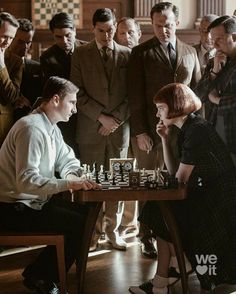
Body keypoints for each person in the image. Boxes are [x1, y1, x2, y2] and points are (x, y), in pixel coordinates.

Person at [129, 83, 236, 294]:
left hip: (218, 202)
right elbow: (175, 173)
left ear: (175, 106)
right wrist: (165, 141)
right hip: (205, 193)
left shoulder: (197, 130)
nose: (157, 112)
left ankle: (171, 272)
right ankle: (170, 272)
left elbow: (180, 180)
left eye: (160, 107)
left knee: (159, 209)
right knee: (158, 208)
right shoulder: (188, 128)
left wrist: (169, 180)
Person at [0, 76, 101, 294]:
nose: (75, 109)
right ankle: (43, 276)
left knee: (85, 215)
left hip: (30, 203)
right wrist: (69, 184)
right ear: (56, 99)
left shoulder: (49, 126)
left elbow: (67, 160)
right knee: (79, 224)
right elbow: (26, 181)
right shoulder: (32, 128)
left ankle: (41, 274)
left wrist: (73, 174)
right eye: (72, 102)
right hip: (12, 208)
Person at [128, 1, 201, 259]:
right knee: (148, 183)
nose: (163, 30)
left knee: (178, 184)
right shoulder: (140, 53)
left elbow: (197, 92)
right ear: (152, 24)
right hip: (150, 131)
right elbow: (134, 97)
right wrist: (140, 132)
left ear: (176, 23)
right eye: (158, 26)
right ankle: (145, 235)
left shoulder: (191, 52)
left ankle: (176, 235)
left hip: (184, 133)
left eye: (167, 25)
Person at [70, 8, 130, 251]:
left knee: (118, 182)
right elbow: (75, 92)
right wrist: (101, 117)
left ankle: (113, 232)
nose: (106, 35)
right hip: (90, 129)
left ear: (115, 27)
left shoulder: (128, 54)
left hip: (119, 130)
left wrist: (114, 120)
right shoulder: (80, 54)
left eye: (110, 30)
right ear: (92, 29)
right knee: (91, 183)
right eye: (101, 31)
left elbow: (133, 93)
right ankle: (92, 235)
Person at [116, 16, 157, 258]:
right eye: (122, 33)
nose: (127, 37)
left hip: (145, 129)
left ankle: (137, 228)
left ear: (139, 33)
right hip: (119, 128)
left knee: (144, 178)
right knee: (122, 175)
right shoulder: (117, 56)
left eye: (131, 32)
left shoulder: (145, 55)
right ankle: (118, 227)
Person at [40, 12, 86, 157]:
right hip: (65, 113)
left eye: (68, 35)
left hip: (88, 110)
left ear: (75, 31)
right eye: (58, 37)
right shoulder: (48, 57)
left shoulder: (87, 50)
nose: (64, 41)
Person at [195, 15, 236, 166]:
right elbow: (198, 95)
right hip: (215, 134)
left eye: (219, 39)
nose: (214, 44)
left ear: (234, 36)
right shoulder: (214, 61)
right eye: (213, 39)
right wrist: (214, 72)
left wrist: (216, 99)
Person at [0, 12, 30, 146]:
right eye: (4, 36)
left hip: (2, 128)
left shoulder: (16, 62)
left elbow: (13, 96)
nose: (7, 42)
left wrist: (1, 64)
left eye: (11, 38)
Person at [8, 18, 42, 121]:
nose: (25, 47)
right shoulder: (2, 66)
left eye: (28, 42)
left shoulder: (37, 67)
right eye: (20, 42)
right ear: (10, 38)